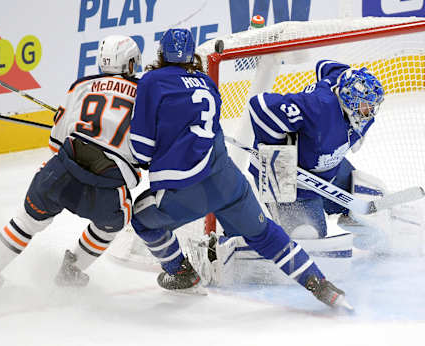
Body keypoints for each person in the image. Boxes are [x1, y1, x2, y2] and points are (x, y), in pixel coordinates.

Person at [128, 28, 352, 310]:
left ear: (161, 53)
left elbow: (141, 150)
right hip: (228, 182)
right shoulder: (207, 82)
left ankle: (181, 273)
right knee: (266, 235)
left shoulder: (151, 81)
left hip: (184, 190)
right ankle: (322, 286)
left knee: (141, 218)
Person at [0, 35, 142, 289]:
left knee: (27, 219)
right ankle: (71, 270)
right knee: (115, 220)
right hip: (103, 190)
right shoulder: (144, 95)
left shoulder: (80, 86)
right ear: (129, 64)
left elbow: (56, 143)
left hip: (60, 176)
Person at [247, 60, 385, 239]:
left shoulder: (344, 86)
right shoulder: (318, 107)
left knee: (372, 204)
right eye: (365, 106)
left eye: (372, 106)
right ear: (349, 100)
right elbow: (261, 106)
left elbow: (325, 65)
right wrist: (280, 158)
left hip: (329, 167)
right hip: (292, 184)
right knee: (306, 236)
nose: (370, 111)